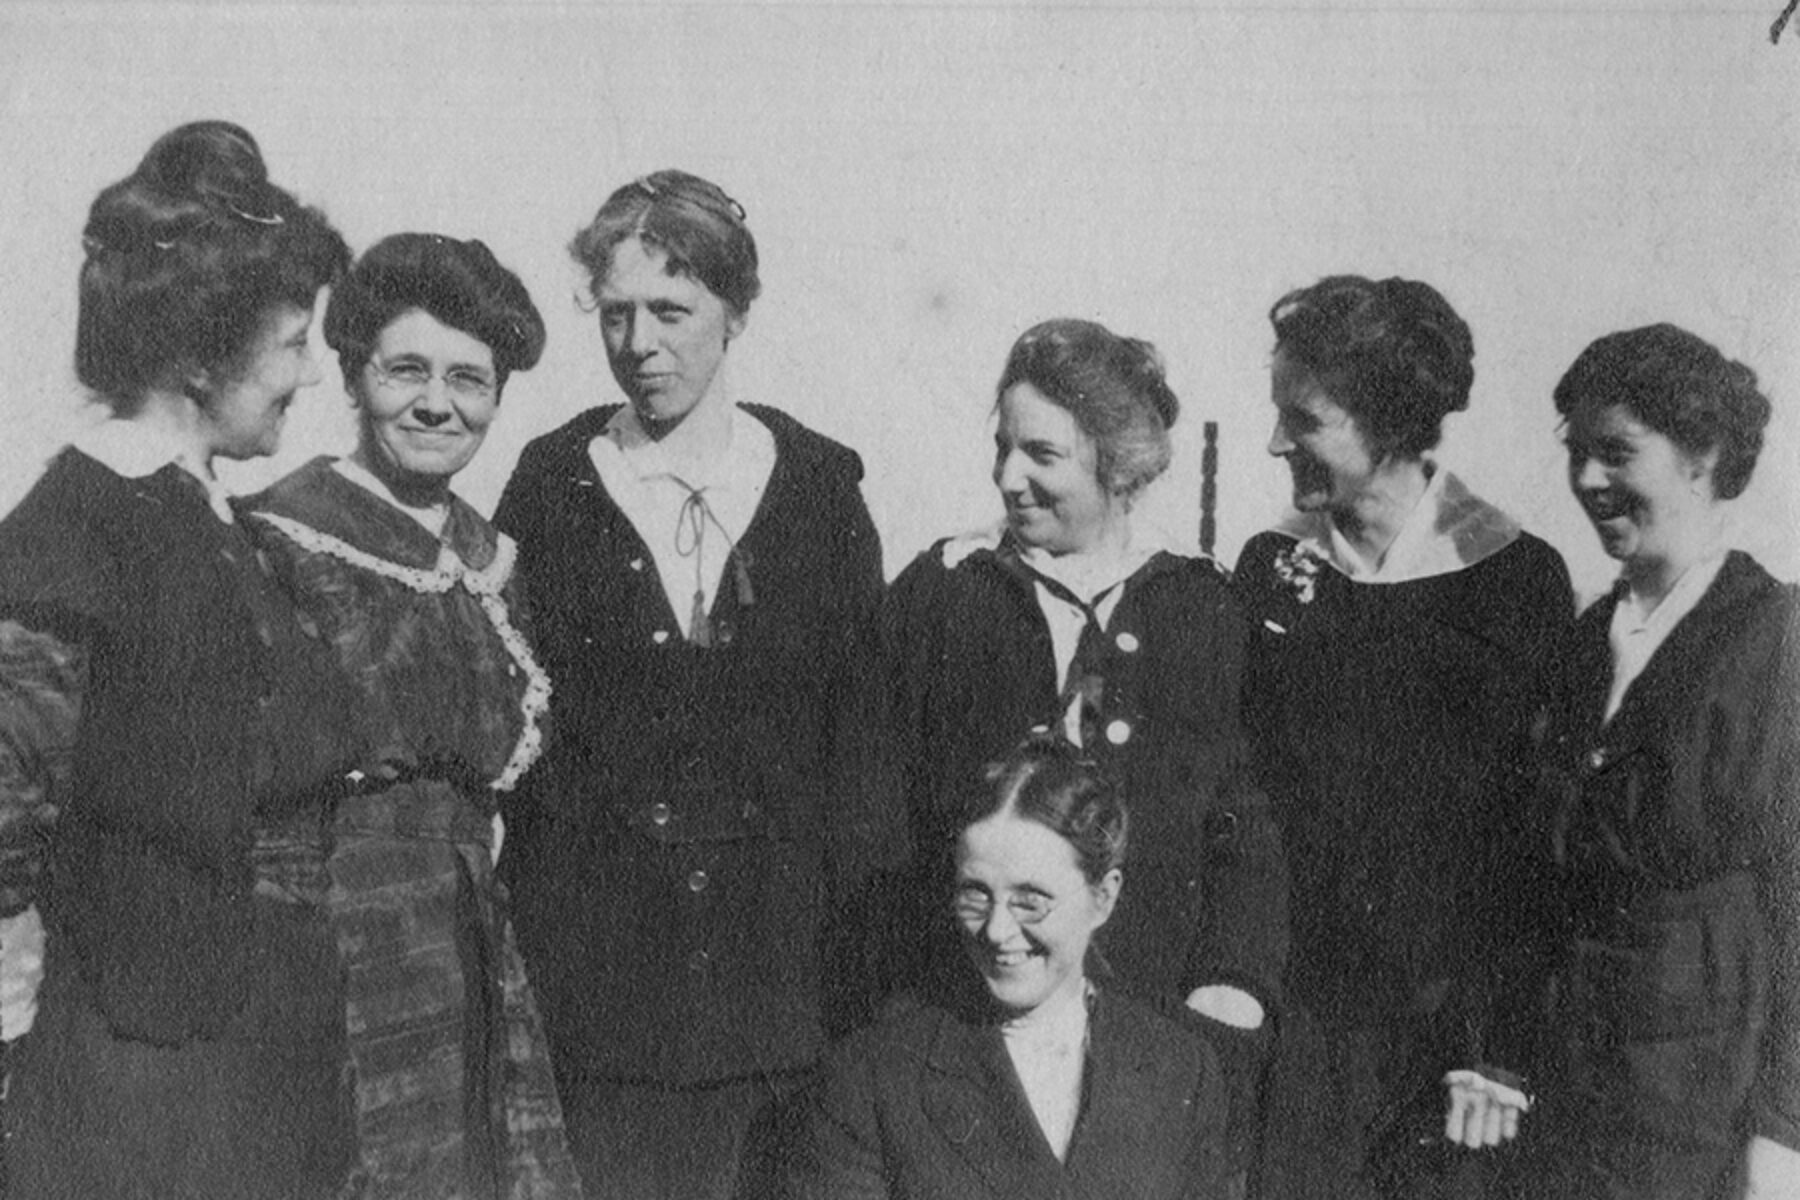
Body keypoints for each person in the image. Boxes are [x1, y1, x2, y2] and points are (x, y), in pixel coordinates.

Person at [493, 169, 885, 1199]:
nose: (639, 344)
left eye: (671, 311)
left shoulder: (819, 490)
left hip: (782, 995)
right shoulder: (553, 485)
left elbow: (861, 744)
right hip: (607, 995)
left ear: (736, 313)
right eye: (616, 314)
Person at [0, 120, 356, 1198]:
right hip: (136, 1071)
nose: (306, 374)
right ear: (203, 356)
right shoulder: (77, 527)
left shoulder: (205, 519)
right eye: (294, 342)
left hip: (248, 1053)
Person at [874, 318, 1286, 1172]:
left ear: (1119, 464)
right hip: (969, 1024)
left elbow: (1243, 817)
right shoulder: (944, 594)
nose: (1009, 479)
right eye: (1003, 450)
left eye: (1043, 456)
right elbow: (873, 817)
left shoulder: (1199, 608)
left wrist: (1234, 982)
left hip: (1154, 1033)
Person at [240, 232, 583, 1198]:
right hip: (332, 944)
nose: (439, 404)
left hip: (471, 939)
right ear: (354, 377)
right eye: (407, 371)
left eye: (470, 380)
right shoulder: (282, 535)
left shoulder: (496, 563)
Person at [1230, 275, 1573, 1199]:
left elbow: (1533, 843)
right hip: (1298, 1039)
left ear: (1386, 421)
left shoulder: (1516, 582)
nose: (1273, 443)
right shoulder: (1271, 569)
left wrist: (1502, 1048)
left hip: (1452, 1052)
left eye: (1303, 420)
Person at [1494, 324, 1798, 1199]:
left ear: (1702, 456)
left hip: (1707, 1121)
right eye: (1577, 453)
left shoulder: (1776, 640)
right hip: (1565, 1112)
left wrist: (1785, 1135)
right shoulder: (1583, 647)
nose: (1589, 481)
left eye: (1617, 453)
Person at [796, 738, 1234, 1199]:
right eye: (975, 894)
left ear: (1103, 897)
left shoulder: (1182, 1072)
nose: (996, 930)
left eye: (1030, 900)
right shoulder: (873, 1080)